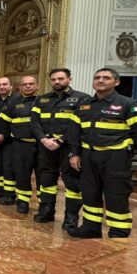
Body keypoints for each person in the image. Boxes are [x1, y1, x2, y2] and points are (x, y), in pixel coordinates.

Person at [66, 68, 137, 239]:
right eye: (97, 77)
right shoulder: (85, 105)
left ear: (116, 82)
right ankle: (91, 227)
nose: (100, 80)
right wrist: (74, 154)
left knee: (116, 194)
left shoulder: (128, 104)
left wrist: (127, 149)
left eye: (106, 78)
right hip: (89, 157)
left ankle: (118, 231)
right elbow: (74, 132)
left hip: (115, 157)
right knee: (90, 192)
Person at [30, 68, 90, 227]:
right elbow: (34, 122)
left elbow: (78, 125)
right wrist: (43, 139)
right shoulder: (41, 99)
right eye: (54, 79)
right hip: (46, 146)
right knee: (46, 180)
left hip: (69, 147)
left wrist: (61, 141)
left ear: (69, 79)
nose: (57, 82)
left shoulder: (82, 99)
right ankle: (47, 211)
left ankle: (71, 217)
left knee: (72, 182)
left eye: (61, 79)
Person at [0, 76, 40, 210]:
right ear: (20, 87)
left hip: (41, 145)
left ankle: (45, 205)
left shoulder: (44, 101)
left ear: (37, 86)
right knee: (21, 174)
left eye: (31, 84)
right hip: (20, 144)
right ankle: (23, 201)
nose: (28, 86)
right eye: (24, 84)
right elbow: (4, 123)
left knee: (43, 176)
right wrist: (4, 138)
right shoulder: (13, 102)